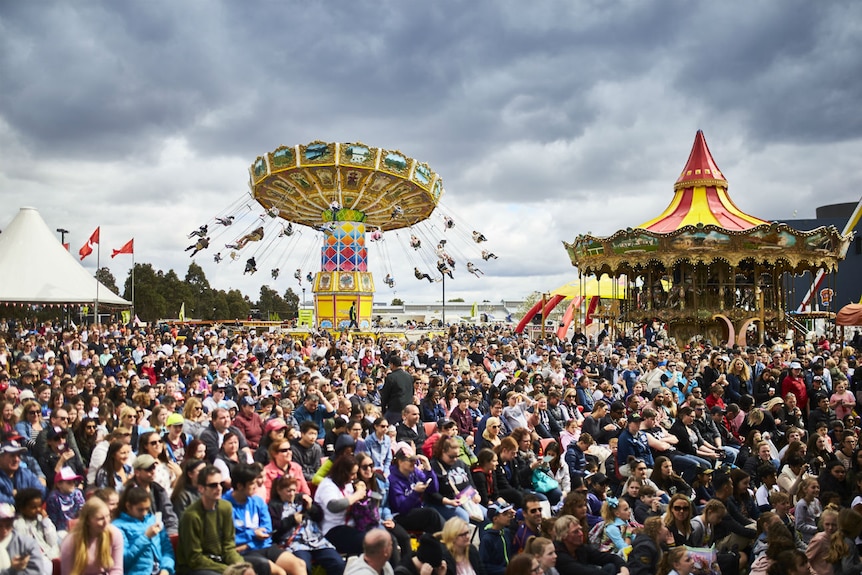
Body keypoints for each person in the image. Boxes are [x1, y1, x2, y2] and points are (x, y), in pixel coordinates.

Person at [223, 464, 304, 575]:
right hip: (244, 552)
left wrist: (249, 543)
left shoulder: (258, 501)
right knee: (279, 572)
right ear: (240, 486)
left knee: (299, 564)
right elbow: (228, 538)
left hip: (261, 545)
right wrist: (252, 534)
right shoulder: (225, 506)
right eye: (252, 483)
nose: (256, 486)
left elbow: (267, 530)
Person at [268, 475, 345, 575]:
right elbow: (275, 531)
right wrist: (292, 520)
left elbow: (319, 517)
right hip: (295, 544)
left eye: (294, 490)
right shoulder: (274, 506)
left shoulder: (301, 500)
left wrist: (310, 507)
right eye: (288, 491)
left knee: (338, 563)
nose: (292, 494)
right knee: (303, 566)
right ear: (279, 490)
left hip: (316, 541)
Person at [112, 486, 175, 575]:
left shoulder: (153, 520)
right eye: (140, 510)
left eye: (147, 509)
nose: (144, 513)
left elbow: (167, 550)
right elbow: (123, 560)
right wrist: (145, 537)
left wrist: (166, 569)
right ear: (128, 506)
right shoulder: (118, 527)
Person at [314, 454, 366, 555]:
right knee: (366, 543)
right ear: (343, 473)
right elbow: (334, 506)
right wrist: (356, 495)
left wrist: (360, 487)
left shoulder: (347, 483)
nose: (354, 477)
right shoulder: (327, 485)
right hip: (333, 528)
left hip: (351, 525)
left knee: (382, 538)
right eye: (352, 474)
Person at [60, 497, 123, 575]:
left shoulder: (115, 534)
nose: (106, 522)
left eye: (108, 516)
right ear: (88, 521)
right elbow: (68, 572)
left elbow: (117, 569)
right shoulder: (70, 541)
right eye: (100, 519)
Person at [552, 514, 628, 575]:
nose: (581, 534)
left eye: (580, 530)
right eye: (575, 532)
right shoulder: (557, 554)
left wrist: (624, 568)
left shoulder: (580, 548)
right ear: (563, 536)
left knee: (611, 566)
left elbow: (609, 557)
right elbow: (583, 572)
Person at [13, 487, 60, 560]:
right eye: (33, 507)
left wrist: (46, 521)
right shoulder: (18, 524)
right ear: (22, 508)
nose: (38, 510)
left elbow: (52, 541)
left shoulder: (42, 520)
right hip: (33, 559)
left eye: (39, 506)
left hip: (49, 554)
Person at [0, 439, 45, 504]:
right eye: (12, 455)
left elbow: (42, 492)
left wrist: (19, 495)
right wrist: (27, 500)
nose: (16, 459)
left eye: (18, 455)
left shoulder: (26, 473)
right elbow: (2, 501)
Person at [479, 502, 515, 575]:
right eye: (505, 514)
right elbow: (484, 565)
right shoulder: (487, 539)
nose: (509, 516)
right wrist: (505, 570)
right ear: (495, 519)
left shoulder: (507, 532)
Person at [381, 357, 415, 425]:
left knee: (383, 425)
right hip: (408, 408)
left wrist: (383, 409)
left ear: (392, 364)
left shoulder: (390, 377)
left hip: (395, 409)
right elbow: (412, 392)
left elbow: (385, 395)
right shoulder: (409, 376)